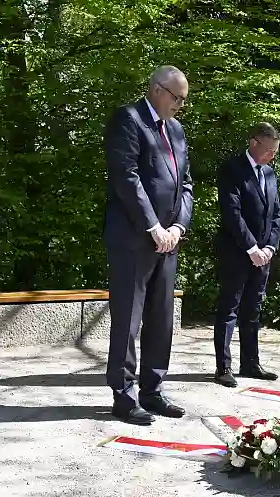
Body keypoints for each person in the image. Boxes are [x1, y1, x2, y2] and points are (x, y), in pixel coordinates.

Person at [103, 65, 193, 425]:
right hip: (132, 239)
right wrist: (153, 226)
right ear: (157, 89)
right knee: (128, 319)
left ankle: (152, 390)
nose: (180, 106)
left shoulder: (177, 130)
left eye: (184, 100)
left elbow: (185, 184)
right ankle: (123, 396)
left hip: (167, 240)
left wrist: (177, 227)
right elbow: (126, 177)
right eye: (177, 98)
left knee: (161, 319)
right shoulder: (128, 119)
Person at [213, 122, 280, 387]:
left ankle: (250, 363)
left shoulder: (270, 173)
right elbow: (232, 214)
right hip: (237, 253)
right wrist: (251, 248)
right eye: (269, 150)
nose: (272, 156)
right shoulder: (232, 170)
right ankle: (223, 367)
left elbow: (276, 214)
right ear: (253, 143)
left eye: (275, 151)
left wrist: (269, 248)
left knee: (253, 309)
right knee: (229, 308)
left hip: (263, 255)